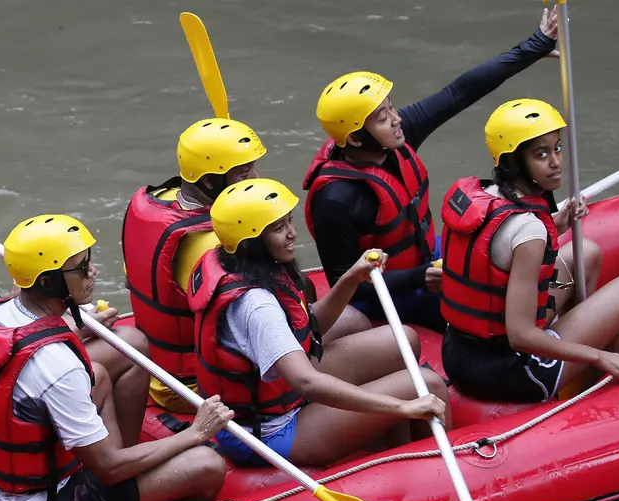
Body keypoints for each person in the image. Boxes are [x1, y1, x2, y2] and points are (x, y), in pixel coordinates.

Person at [0, 215, 231, 501]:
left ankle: (131, 497)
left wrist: (73, 329)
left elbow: (28, 350)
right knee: (207, 465)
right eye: (82, 267)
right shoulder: (57, 366)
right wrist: (195, 433)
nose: (93, 272)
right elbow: (110, 468)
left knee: (95, 374)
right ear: (50, 282)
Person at [303, 8, 575, 332]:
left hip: (427, 259)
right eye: (382, 117)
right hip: (388, 293)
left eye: (390, 108)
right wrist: (418, 278)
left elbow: (460, 91)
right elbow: (344, 286)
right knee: (491, 305)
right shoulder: (335, 199)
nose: (396, 119)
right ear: (356, 140)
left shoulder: (394, 138)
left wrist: (536, 44)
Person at [189, 179, 450, 468]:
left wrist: (352, 277)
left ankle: (398, 450)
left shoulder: (237, 263)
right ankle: (435, 476)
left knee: (403, 340)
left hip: (278, 395)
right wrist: (404, 407)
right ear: (251, 243)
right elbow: (306, 381)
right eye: (279, 229)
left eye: (289, 221)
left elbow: (308, 330)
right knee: (428, 387)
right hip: (268, 432)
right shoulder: (256, 304)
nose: (292, 233)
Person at [122, 119, 367, 414]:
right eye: (243, 173)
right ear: (210, 181)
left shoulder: (155, 205)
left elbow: (130, 281)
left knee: (349, 319)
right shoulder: (214, 245)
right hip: (196, 386)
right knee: (352, 322)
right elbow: (267, 309)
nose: (255, 178)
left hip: (159, 369)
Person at [439, 99, 619, 403]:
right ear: (514, 162)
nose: (555, 162)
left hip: (459, 353)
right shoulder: (529, 231)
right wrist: (597, 356)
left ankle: (575, 346)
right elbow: (521, 335)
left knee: (585, 253)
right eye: (541, 154)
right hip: (509, 369)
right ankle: (589, 392)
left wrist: (558, 224)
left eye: (557, 148)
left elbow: (498, 250)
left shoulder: (485, 196)